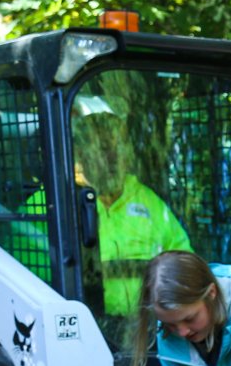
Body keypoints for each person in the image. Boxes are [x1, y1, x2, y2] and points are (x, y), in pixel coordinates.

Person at [73, 95, 194, 316]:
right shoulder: (54, 204)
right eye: (101, 151)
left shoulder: (151, 204)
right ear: (81, 154)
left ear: (127, 154)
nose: (109, 160)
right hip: (81, 326)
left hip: (147, 325)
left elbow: (184, 265)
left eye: (115, 151)